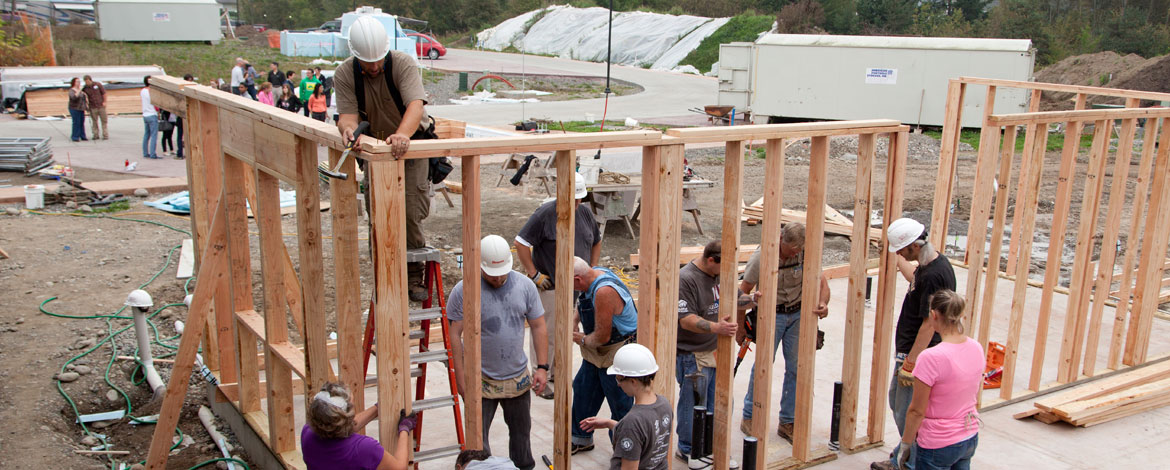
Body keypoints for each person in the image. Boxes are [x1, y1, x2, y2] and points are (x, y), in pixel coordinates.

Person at [335, 15, 434, 302]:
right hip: (375, 151)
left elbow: (415, 106)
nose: (375, 66)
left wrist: (402, 135)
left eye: (378, 60)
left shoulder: (401, 63)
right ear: (355, 55)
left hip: (411, 146)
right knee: (377, 211)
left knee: (410, 210)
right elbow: (347, 117)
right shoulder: (345, 74)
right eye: (368, 62)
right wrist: (349, 131)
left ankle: (414, 274)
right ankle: (384, 271)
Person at [448, 235, 549, 470]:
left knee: (521, 438)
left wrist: (542, 367)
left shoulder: (524, 286)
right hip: (481, 381)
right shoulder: (464, 291)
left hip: (517, 379)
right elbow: (455, 335)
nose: (499, 278)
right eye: (493, 275)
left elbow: (538, 325)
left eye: (502, 273)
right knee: (476, 445)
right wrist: (461, 380)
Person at [871, 217, 956, 470]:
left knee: (906, 410)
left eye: (901, 250)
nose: (898, 253)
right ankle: (903, 457)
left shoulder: (934, 275)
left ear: (915, 246)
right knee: (898, 401)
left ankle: (911, 463)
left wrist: (911, 362)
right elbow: (914, 280)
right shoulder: (930, 264)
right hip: (912, 351)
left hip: (919, 354)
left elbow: (930, 324)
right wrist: (897, 260)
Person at [738, 222, 830, 442]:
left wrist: (823, 303)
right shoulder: (762, 257)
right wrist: (740, 328)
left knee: (797, 367)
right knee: (763, 366)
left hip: (798, 314)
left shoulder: (806, 252)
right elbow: (742, 293)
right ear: (781, 239)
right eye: (792, 250)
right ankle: (750, 416)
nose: (795, 253)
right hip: (771, 315)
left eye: (799, 250)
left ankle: (788, 421)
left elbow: (822, 284)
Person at [514, 172, 601, 399]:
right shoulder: (545, 214)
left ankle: (555, 372)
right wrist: (534, 275)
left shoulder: (584, 214)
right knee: (548, 332)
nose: (576, 203)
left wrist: (591, 269)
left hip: (578, 285)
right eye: (573, 199)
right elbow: (521, 242)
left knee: (567, 330)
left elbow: (597, 241)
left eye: (579, 199)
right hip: (551, 286)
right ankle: (540, 375)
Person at [674, 240, 745, 462]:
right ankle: (687, 447)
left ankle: (713, 447)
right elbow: (685, 320)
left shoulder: (720, 273)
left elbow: (737, 298)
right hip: (691, 354)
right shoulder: (686, 279)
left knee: (721, 400)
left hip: (716, 351)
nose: (727, 273)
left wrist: (754, 300)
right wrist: (716, 327)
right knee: (693, 401)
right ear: (711, 260)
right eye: (723, 267)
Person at [898, 290, 982, 470]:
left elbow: (916, 411)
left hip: (939, 444)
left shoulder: (931, 357)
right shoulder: (976, 347)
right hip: (969, 435)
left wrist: (905, 445)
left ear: (934, 315)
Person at [570, 256, 638, 455]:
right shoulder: (593, 272)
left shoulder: (604, 291)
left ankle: (624, 451)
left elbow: (602, 336)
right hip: (597, 352)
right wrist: (575, 319)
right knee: (583, 390)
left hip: (616, 352)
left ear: (577, 279)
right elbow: (581, 300)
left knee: (620, 403)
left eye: (571, 284)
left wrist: (581, 340)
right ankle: (580, 439)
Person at [579, 343, 672, 470]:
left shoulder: (633, 421)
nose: (618, 385)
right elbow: (645, 436)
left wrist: (624, 427)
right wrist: (610, 424)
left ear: (633, 381)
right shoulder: (664, 404)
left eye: (619, 379)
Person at [301, 381, 416, 470]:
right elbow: (399, 467)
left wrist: (378, 407)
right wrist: (404, 429)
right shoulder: (364, 448)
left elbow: (341, 426)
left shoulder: (307, 433)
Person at [82, 75, 108, 140]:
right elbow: (83, 96)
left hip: (101, 105)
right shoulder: (85, 88)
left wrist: (104, 102)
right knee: (94, 121)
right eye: (85, 82)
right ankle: (95, 135)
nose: (87, 83)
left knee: (104, 121)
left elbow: (104, 93)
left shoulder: (97, 85)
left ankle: (105, 134)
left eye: (88, 81)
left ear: (90, 80)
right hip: (92, 107)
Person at [141, 76, 159, 159]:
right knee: (154, 135)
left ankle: (145, 152)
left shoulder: (142, 91)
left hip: (145, 115)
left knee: (146, 135)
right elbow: (155, 104)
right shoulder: (151, 92)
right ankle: (153, 154)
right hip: (152, 114)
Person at [67, 77, 88, 142]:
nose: (78, 83)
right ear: (74, 83)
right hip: (74, 108)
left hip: (81, 108)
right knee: (76, 122)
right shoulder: (71, 90)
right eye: (77, 82)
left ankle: (82, 136)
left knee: (81, 122)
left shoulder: (81, 91)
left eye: (79, 81)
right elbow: (74, 98)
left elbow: (83, 99)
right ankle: (75, 136)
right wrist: (79, 91)